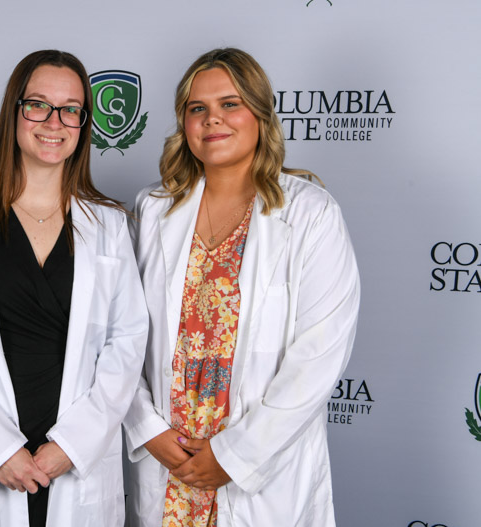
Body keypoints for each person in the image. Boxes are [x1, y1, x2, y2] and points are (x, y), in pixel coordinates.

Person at [0, 49, 148, 527]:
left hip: (72, 456)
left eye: (70, 109)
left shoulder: (108, 224)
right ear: (14, 112)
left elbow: (128, 342)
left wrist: (72, 445)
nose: (53, 122)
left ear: (84, 122)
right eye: (37, 104)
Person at [123, 48, 360, 526]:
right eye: (198, 109)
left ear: (260, 113)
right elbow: (118, 335)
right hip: (171, 463)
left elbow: (319, 355)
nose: (213, 120)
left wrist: (234, 456)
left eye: (230, 104)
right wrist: (146, 429)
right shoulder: (152, 210)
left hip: (260, 471)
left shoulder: (310, 213)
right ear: (183, 123)